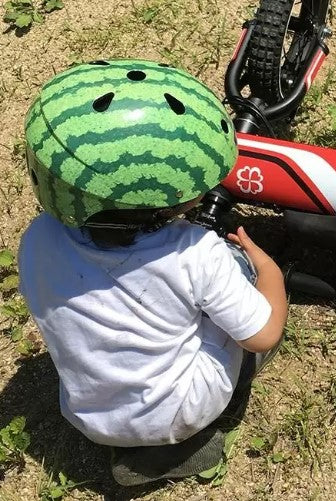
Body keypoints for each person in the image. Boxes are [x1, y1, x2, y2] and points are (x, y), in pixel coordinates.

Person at [17, 59, 288, 485]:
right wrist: (269, 270)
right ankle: (183, 450)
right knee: (243, 276)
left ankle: (133, 441)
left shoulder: (37, 238)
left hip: (86, 413)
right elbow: (264, 334)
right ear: (164, 203)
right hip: (178, 412)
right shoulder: (195, 253)